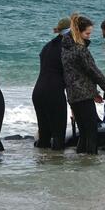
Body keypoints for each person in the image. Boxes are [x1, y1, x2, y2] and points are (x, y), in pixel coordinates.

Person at [61, 14, 105, 154]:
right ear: (78, 32)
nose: (89, 36)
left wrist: (94, 93)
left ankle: (82, 161)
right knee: (92, 131)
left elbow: (79, 75)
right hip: (83, 95)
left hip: (73, 95)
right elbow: (94, 72)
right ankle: (91, 162)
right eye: (87, 33)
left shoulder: (65, 49)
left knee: (83, 132)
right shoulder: (80, 50)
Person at [32, 18, 71, 149]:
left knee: (44, 134)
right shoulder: (67, 46)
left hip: (38, 92)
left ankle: (44, 166)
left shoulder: (47, 46)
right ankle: (57, 167)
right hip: (54, 92)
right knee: (58, 135)